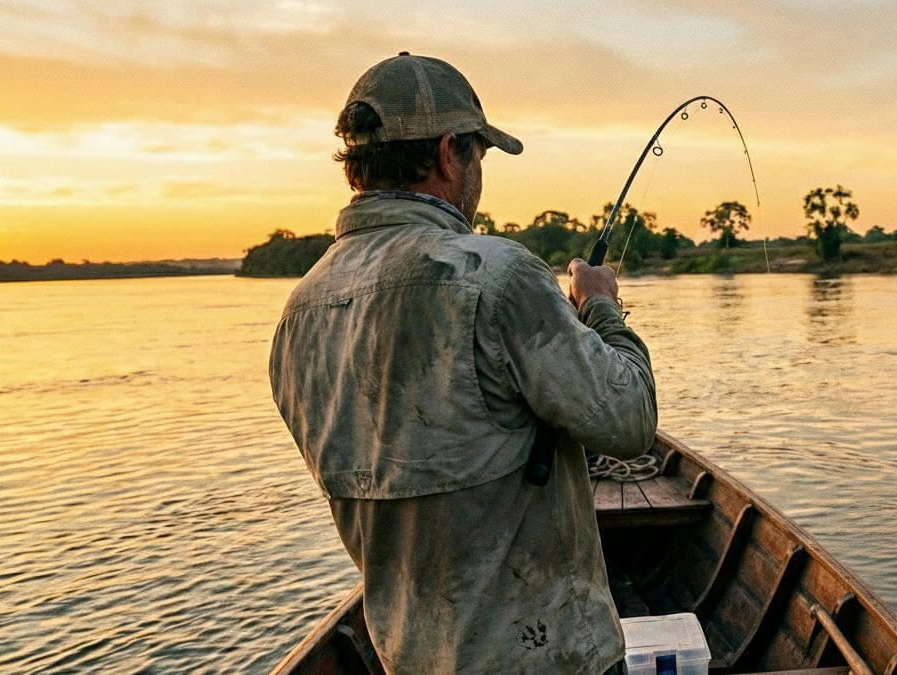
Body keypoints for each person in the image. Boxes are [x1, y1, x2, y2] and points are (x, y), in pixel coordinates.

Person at [268, 53, 657, 674]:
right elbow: (630, 418)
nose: (479, 175)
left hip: (408, 659)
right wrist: (601, 309)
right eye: (478, 156)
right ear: (451, 154)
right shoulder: (497, 276)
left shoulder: (298, 315)